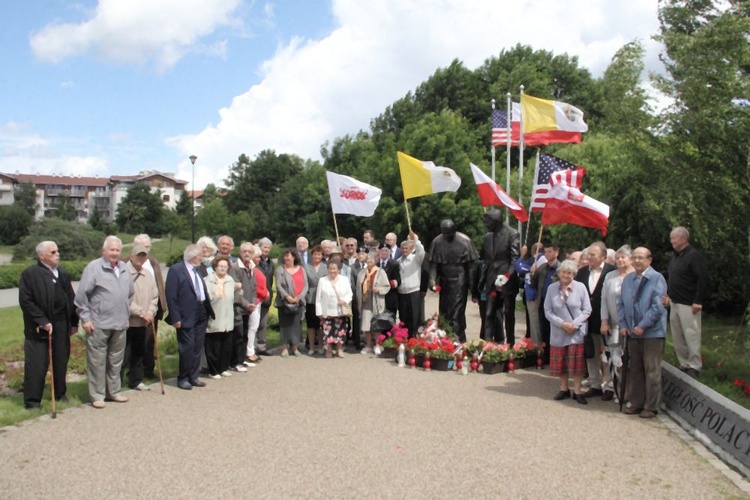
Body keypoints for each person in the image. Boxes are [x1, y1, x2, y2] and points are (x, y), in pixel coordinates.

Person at [75, 236, 134, 408]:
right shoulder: (94, 268)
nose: (115, 253)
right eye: (112, 250)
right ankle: (97, 395)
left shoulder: (123, 268)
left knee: (116, 361)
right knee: (97, 361)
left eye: (117, 250)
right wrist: (85, 319)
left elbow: (129, 293)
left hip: (120, 323)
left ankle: (114, 392)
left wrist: (125, 313)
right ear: (104, 250)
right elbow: (81, 297)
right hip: (98, 323)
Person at [19, 241, 78, 409]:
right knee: (37, 364)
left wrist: (73, 322)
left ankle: (60, 393)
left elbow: (71, 299)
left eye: (57, 251)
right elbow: (26, 301)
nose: (57, 254)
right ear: (41, 255)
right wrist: (42, 320)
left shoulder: (63, 274)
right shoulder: (30, 274)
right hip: (39, 327)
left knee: (60, 361)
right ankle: (32, 401)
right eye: (53, 252)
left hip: (61, 324)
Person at [617, 247, 668, 418]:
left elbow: (658, 306)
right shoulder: (628, 279)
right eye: (635, 257)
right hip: (632, 332)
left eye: (641, 257)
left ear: (649, 260)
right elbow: (621, 304)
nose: (637, 260)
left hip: (652, 333)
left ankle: (651, 406)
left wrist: (643, 326)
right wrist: (624, 324)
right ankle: (637, 402)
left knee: (651, 369)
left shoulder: (657, 278)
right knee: (636, 368)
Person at [165, 244, 215, 391]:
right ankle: (183, 377)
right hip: (185, 314)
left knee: (197, 346)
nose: (203, 257)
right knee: (187, 347)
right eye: (201, 255)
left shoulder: (198, 269)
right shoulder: (176, 270)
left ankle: (194, 376)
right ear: (194, 256)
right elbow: (171, 295)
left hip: (201, 311)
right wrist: (175, 318)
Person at [544, 259, 592, 405]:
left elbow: (587, 309)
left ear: (574, 274)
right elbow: (547, 311)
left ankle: (577, 391)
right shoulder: (552, 288)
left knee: (576, 364)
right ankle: (564, 388)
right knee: (561, 363)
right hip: (559, 332)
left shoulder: (580, 287)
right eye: (564, 272)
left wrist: (574, 324)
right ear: (559, 273)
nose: (566, 275)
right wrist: (562, 324)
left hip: (575, 333)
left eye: (570, 273)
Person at [665, 227, 708, 379]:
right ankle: (683, 363)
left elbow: (702, 278)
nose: (671, 241)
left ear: (683, 239)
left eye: (673, 238)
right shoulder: (676, 256)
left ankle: (695, 365)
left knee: (691, 334)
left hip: (689, 303)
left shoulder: (693, 255)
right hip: (675, 301)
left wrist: (698, 301)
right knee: (677, 335)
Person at [575, 242, 616, 398]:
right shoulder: (582, 272)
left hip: (607, 321)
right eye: (588, 254)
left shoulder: (611, 272)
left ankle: (610, 386)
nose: (589, 257)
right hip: (588, 321)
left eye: (593, 255)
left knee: (608, 355)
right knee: (591, 354)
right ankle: (595, 384)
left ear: (603, 256)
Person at [428, 219, 479, 342]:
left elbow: (471, 268)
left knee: (456, 312)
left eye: (449, 233)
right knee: (444, 311)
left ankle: (457, 340)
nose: (446, 236)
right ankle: (445, 338)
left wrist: (473, 289)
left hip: (460, 279)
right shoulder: (437, 241)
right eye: (444, 233)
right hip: (444, 281)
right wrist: (432, 281)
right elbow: (434, 265)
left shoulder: (465, 241)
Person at [476, 208, 520, 344]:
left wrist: (508, 275)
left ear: (496, 221)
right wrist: (482, 279)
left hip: (507, 279)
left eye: (487, 221)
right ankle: (487, 345)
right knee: (488, 313)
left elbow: (515, 258)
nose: (485, 224)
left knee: (508, 313)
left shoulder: (512, 234)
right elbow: (486, 260)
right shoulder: (488, 236)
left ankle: (510, 344)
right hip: (491, 279)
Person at [600, 245, 634, 401]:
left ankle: (631, 391)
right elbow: (604, 300)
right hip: (614, 324)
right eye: (618, 257)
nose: (620, 260)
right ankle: (618, 389)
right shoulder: (610, 276)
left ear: (630, 259)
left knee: (630, 360)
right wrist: (604, 321)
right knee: (615, 359)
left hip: (632, 325)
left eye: (623, 257)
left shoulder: (635, 275)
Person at [122, 242, 158, 391]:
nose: (141, 259)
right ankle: (116, 383)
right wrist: (141, 312)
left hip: (144, 321)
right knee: (123, 354)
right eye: (138, 255)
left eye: (143, 256)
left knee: (139, 351)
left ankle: (136, 379)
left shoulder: (148, 274)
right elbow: (123, 298)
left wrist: (150, 312)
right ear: (131, 256)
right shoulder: (123, 273)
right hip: (128, 321)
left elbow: (155, 296)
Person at [133, 234, 166, 380]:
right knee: (136, 344)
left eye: (149, 246)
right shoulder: (128, 262)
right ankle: (135, 374)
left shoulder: (152, 262)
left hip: (153, 309)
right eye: (144, 246)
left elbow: (159, 284)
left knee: (150, 341)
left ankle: (149, 370)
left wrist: (159, 306)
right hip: (136, 312)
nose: (147, 249)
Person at [204, 255, 236, 379]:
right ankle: (213, 370)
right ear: (215, 267)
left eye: (225, 266)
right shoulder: (209, 280)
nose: (222, 268)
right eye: (220, 266)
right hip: (215, 316)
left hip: (228, 316)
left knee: (226, 345)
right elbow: (208, 298)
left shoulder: (230, 280)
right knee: (214, 345)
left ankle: (223, 368)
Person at [316, 260, 354, 358]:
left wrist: (344, 300)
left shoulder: (344, 279)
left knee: (341, 331)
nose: (332, 271)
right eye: (330, 269)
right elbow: (318, 298)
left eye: (334, 269)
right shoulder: (322, 280)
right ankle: (328, 350)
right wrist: (319, 312)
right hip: (327, 311)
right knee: (327, 332)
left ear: (338, 270)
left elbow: (350, 294)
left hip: (340, 311)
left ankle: (339, 349)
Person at [275, 249, 308, 357]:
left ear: (294, 257)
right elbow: (278, 285)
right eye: (285, 256)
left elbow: (305, 285)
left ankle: (295, 348)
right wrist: (287, 296)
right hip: (284, 302)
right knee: (285, 326)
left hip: (298, 302)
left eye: (288, 256)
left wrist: (299, 297)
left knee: (296, 326)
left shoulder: (301, 269)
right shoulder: (280, 269)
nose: (286, 258)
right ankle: (284, 348)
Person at [229, 242, 257, 370]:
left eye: (249, 252)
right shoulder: (235, 268)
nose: (247, 254)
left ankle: (242, 359)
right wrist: (247, 304)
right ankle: (235, 362)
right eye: (244, 251)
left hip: (248, 308)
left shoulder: (252, 267)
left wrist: (253, 303)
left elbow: (253, 288)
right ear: (240, 253)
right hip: (238, 308)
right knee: (238, 335)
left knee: (245, 334)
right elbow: (234, 291)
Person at [531, 244, 560, 363]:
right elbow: (534, 284)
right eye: (546, 252)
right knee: (544, 328)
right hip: (543, 301)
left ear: (556, 253)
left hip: (556, 304)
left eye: (549, 251)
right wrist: (533, 272)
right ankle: (546, 354)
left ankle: (555, 355)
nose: (547, 254)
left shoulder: (561, 268)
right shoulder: (542, 268)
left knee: (555, 329)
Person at [356, 254, 391, 354]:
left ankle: (378, 345)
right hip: (365, 302)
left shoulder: (380, 272)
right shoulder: (362, 272)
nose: (370, 261)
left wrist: (379, 289)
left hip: (376, 302)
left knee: (376, 325)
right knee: (366, 326)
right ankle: (368, 345)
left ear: (376, 260)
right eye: (368, 259)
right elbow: (358, 288)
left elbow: (387, 286)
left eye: (372, 259)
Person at [397, 230, 425, 337]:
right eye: (403, 249)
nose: (404, 250)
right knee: (403, 318)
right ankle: (404, 338)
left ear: (411, 249)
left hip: (413, 292)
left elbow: (421, 252)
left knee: (414, 318)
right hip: (402, 293)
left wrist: (416, 240)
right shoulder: (399, 261)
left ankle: (413, 339)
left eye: (406, 248)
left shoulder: (415, 259)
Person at [245, 244, 269, 364]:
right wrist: (265, 293)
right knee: (252, 327)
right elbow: (253, 286)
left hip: (259, 301)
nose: (259, 259)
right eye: (257, 257)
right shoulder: (251, 269)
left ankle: (251, 350)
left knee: (254, 327)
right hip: (254, 301)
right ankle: (249, 352)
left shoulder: (256, 268)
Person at [304, 245, 328, 355]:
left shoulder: (326, 266)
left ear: (322, 256)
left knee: (321, 324)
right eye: (315, 254)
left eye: (319, 254)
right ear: (311, 255)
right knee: (311, 324)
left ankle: (321, 345)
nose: (317, 256)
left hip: (322, 298)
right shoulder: (306, 267)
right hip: (310, 297)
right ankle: (311, 347)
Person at [256, 237, 275, 356]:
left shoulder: (271, 263)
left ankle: (261, 346)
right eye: (264, 247)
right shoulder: (255, 262)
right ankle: (251, 348)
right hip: (256, 296)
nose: (266, 249)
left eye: (268, 247)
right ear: (259, 247)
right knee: (254, 323)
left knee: (263, 323)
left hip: (267, 296)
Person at [377, 243, 400, 314]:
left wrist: (392, 283)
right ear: (379, 251)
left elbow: (398, 281)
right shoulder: (376, 264)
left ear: (390, 252)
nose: (384, 252)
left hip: (390, 297)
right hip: (378, 297)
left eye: (386, 250)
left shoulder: (394, 264)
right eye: (382, 250)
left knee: (390, 320)